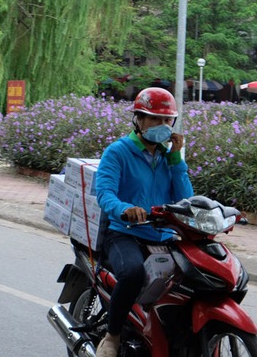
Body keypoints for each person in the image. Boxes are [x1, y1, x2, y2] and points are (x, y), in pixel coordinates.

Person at [94, 87, 194, 357]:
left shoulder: (167, 156)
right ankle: (112, 336)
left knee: (192, 275)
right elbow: (104, 194)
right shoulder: (118, 152)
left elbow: (185, 199)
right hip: (123, 232)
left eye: (167, 120)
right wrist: (126, 209)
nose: (162, 126)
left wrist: (176, 158)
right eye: (155, 119)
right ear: (138, 119)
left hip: (162, 235)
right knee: (134, 273)